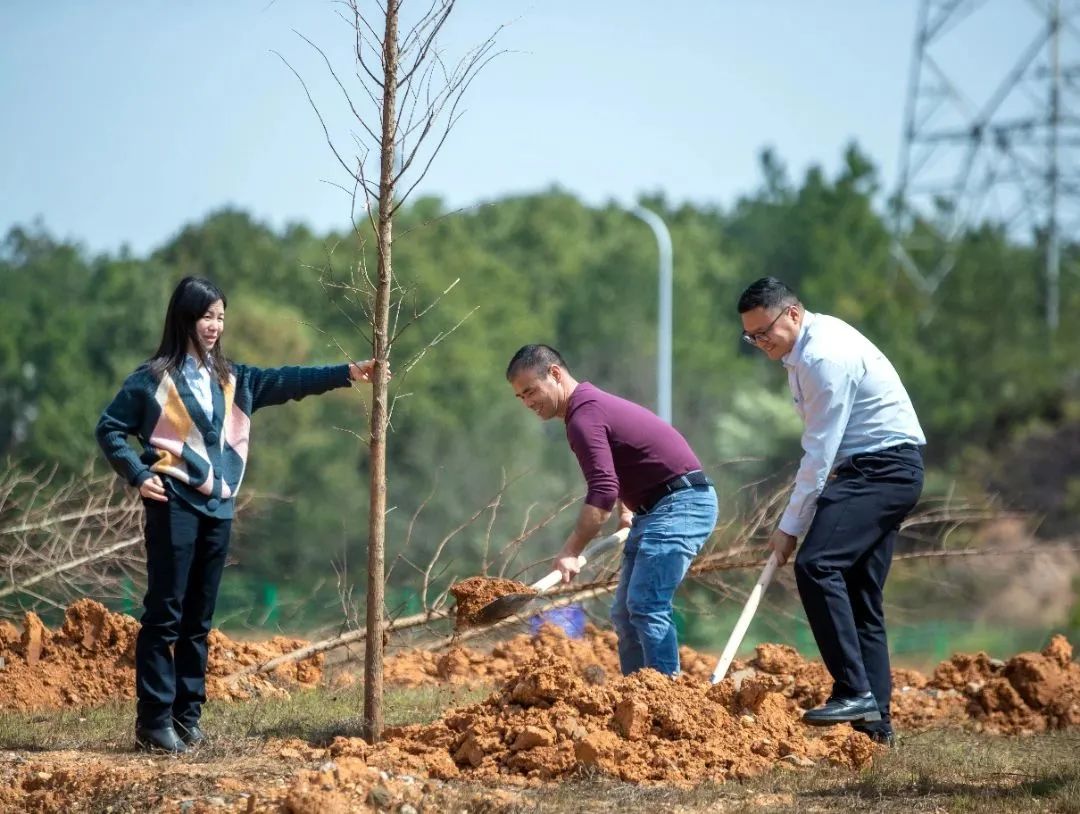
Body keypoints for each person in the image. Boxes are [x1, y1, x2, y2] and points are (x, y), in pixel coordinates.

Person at [96, 276, 382, 753]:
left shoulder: (233, 379)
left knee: (199, 620)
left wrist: (347, 372)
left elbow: (288, 380)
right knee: (165, 614)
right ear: (185, 318)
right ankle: (153, 721)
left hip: (218, 507)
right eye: (207, 316)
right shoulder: (151, 380)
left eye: (221, 317)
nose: (215, 325)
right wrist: (135, 472)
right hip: (173, 503)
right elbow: (109, 428)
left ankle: (187, 717)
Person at [737, 276, 925, 746]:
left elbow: (820, 453)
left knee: (817, 565)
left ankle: (853, 689)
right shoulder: (802, 352)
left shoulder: (824, 357)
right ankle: (875, 729)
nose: (761, 344)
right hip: (880, 470)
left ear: (793, 314)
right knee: (862, 599)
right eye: (752, 336)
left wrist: (789, 527)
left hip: (880, 470)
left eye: (765, 333)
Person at [506, 344, 718, 677]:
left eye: (531, 391)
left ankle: (669, 700)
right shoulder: (589, 409)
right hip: (656, 507)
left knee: (647, 605)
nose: (528, 402)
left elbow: (603, 490)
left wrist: (571, 551)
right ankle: (635, 695)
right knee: (624, 612)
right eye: (521, 397)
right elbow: (624, 462)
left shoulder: (584, 416)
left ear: (555, 374)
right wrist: (628, 508)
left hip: (681, 504)